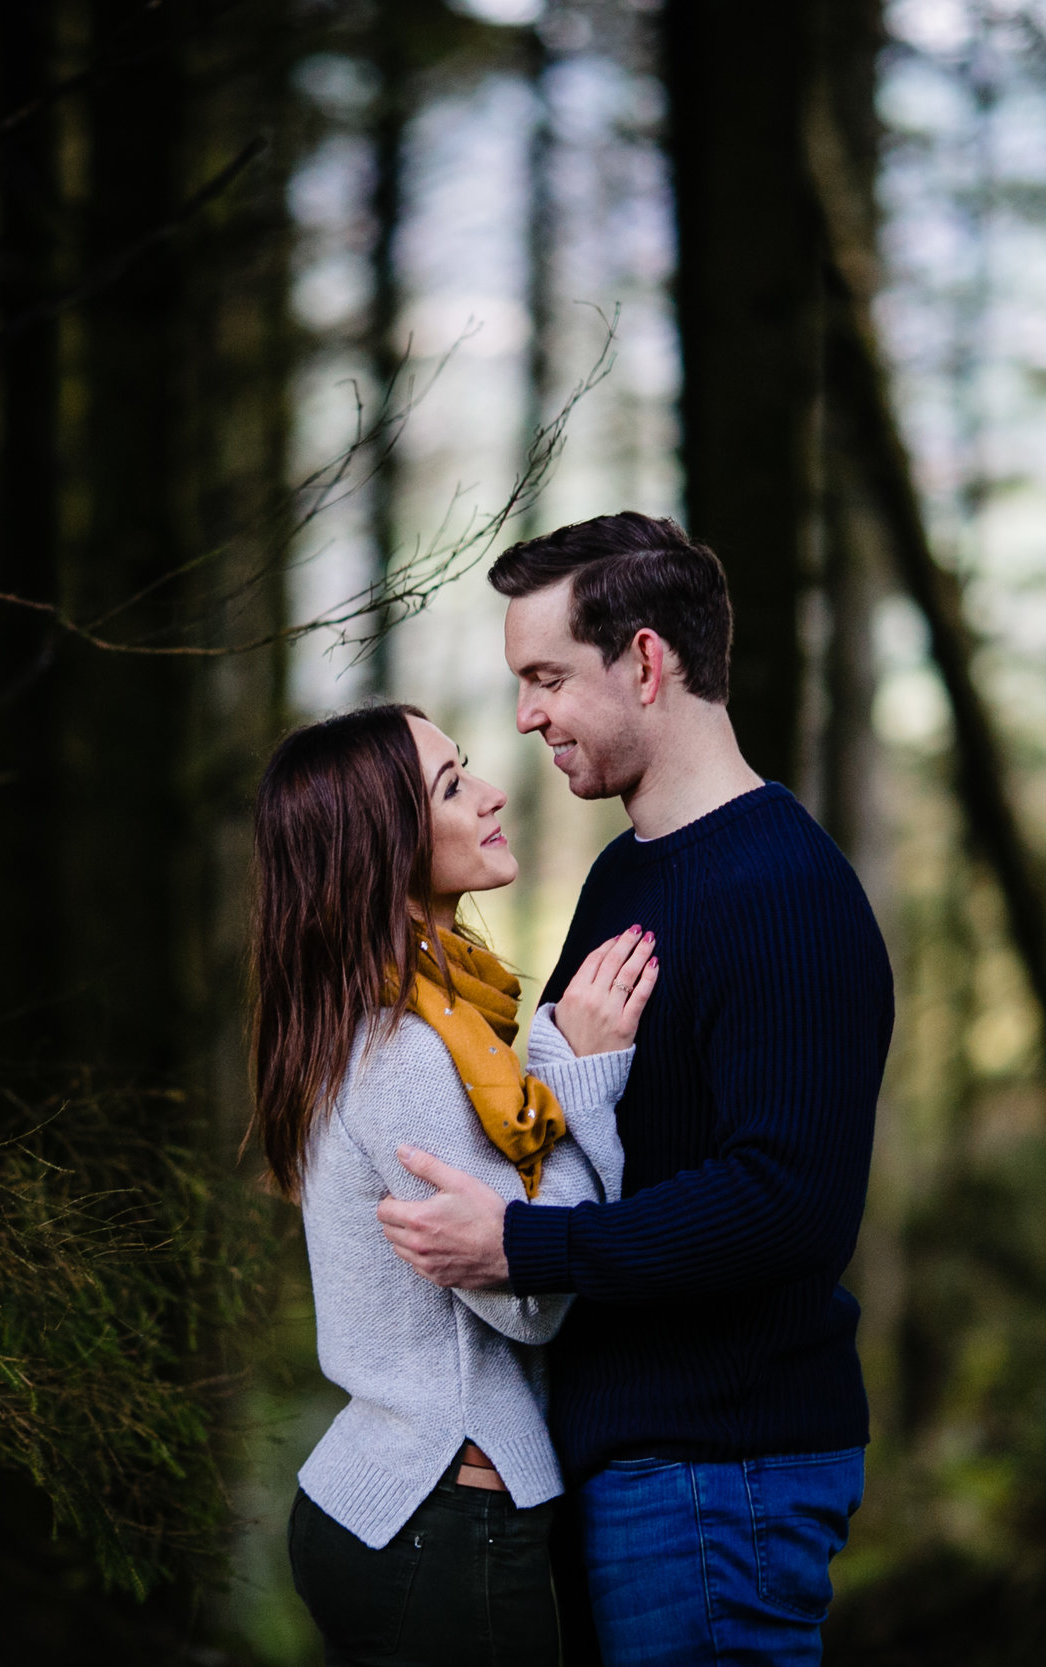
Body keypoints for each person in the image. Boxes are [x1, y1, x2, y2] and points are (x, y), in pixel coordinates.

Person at [376, 514, 894, 1667]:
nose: (525, 716)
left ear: (647, 662)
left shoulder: (786, 891)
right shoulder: (626, 872)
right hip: (626, 1454)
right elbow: (570, 1114)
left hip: (723, 1467)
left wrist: (528, 1246)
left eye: (547, 676)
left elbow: (785, 1199)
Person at [251, 702, 661, 1667]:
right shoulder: (405, 1054)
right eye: (448, 787)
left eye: (464, 768)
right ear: (382, 850)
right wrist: (580, 1075)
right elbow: (531, 1300)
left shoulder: (386, 1021)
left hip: (398, 1503)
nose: (488, 793)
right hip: (444, 1511)